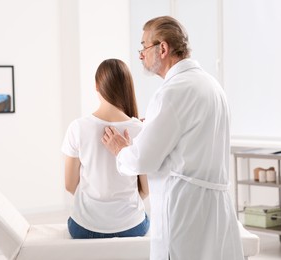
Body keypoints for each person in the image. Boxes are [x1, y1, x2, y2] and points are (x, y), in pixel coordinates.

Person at [102, 16, 244, 259]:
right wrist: (153, 129)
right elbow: (191, 139)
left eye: (144, 47)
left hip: (184, 211)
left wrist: (121, 149)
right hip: (215, 211)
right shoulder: (211, 85)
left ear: (163, 48)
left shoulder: (172, 92)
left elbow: (142, 161)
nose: (140, 55)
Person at [61, 58, 150, 239]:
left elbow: (70, 185)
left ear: (96, 86)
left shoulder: (78, 127)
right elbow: (146, 190)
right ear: (127, 87)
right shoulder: (140, 129)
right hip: (132, 226)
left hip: (84, 227)